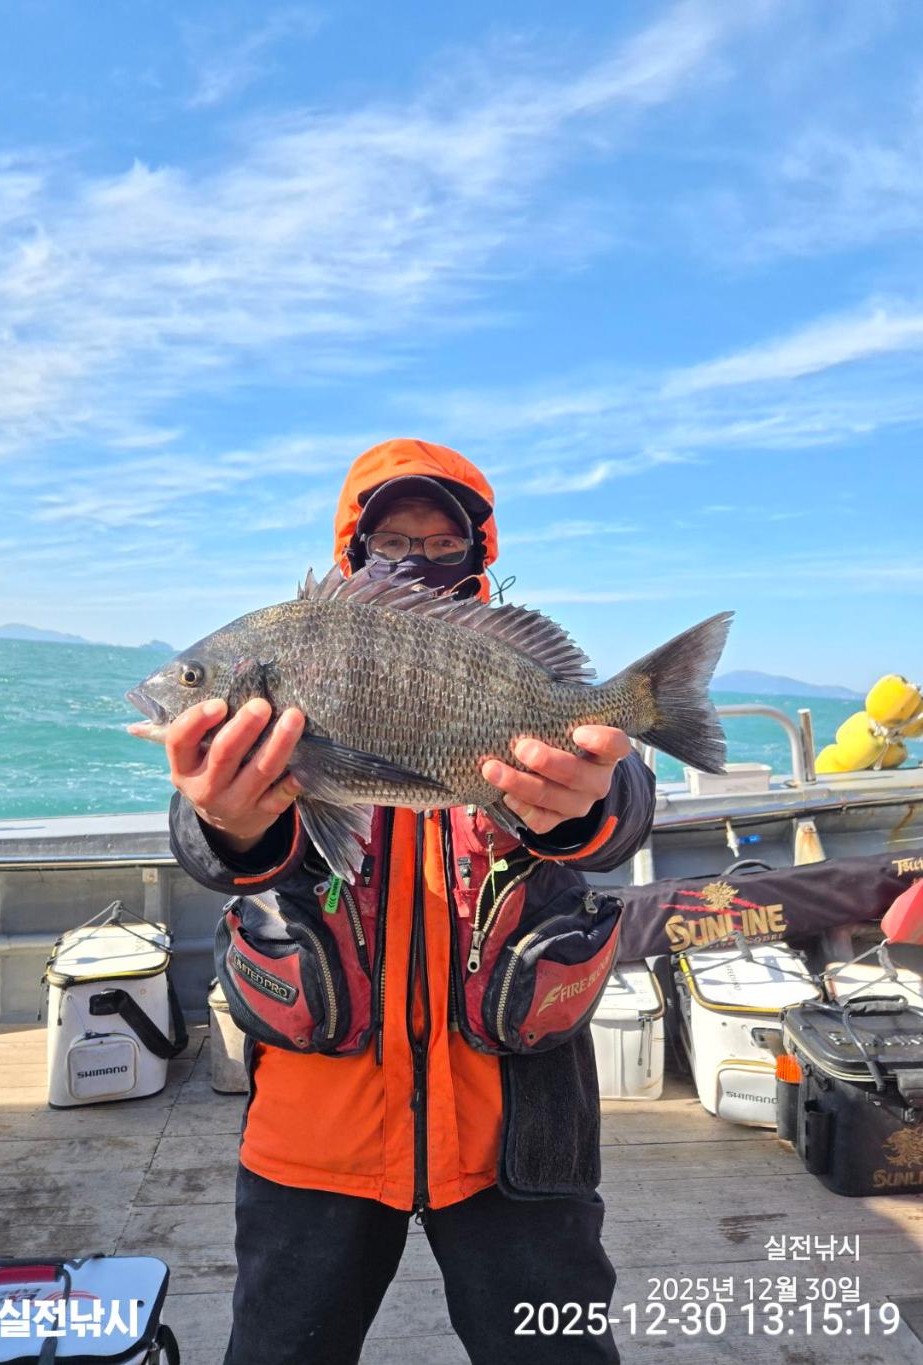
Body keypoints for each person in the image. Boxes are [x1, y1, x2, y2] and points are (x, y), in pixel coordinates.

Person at [163, 438, 656, 1364]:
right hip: (317, 1127)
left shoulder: (507, 669)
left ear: (480, 551)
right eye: (393, 542)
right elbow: (206, 843)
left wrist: (589, 799)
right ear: (354, 552)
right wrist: (225, 819)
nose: (418, 560)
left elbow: (622, 805)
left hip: (520, 1126)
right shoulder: (297, 659)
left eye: (443, 543)